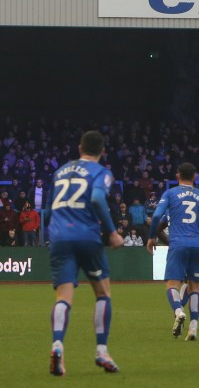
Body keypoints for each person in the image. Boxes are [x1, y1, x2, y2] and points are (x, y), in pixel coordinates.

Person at [46, 130, 124, 375]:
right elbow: (99, 199)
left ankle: (57, 344)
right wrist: (111, 232)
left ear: (80, 148)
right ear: (102, 151)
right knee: (103, 293)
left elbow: (47, 211)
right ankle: (102, 351)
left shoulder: (59, 172)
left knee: (63, 297)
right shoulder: (101, 172)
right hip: (87, 236)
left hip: (59, 238)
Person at [146, 162, 199, 341]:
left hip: (178, 244)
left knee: (172, 284)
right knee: (195, 286)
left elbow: (156, 216)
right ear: (195, 177)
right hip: (196, 245)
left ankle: (179, 311)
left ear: (177, 175)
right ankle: (193, 328)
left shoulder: (171, 194)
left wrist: (151, 238)